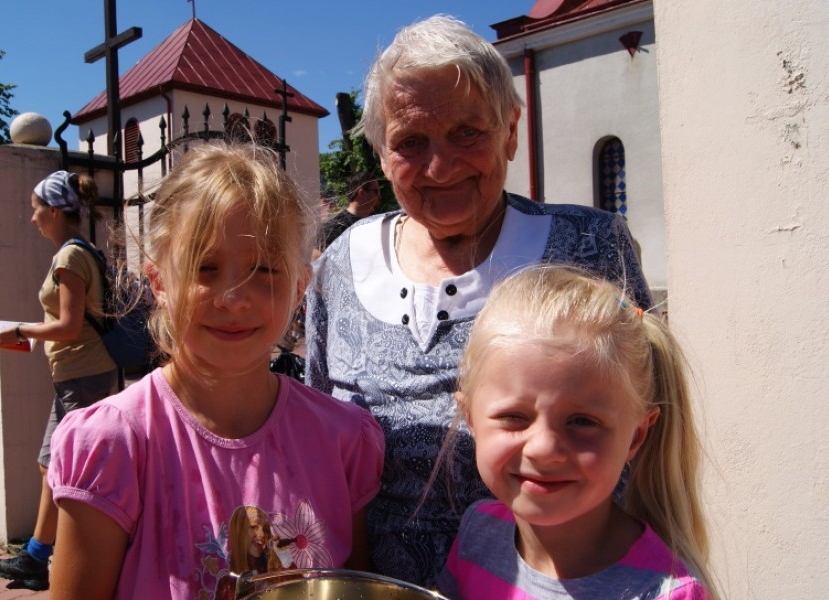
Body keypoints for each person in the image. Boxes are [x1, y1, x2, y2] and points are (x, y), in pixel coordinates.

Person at [304, 15, 651, 587]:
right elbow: (316, 434)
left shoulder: (589, 247)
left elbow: (645, 439)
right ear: (381, 154)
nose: (440, 166)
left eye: (467, 132)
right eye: (410, 142)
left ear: (510, 130)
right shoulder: (341, 263)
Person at [45, 143, 385, 599]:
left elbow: (355, 587)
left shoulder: (342, 439)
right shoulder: (115, 446)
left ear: (300, 286)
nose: (234, 298)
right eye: (205, 267)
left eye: (265, 269)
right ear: (159, 281)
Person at [437, 266, 717, 599]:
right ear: (470, 418)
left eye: (582, 421)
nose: (543, 448)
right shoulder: (478, 534)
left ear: (636, 436)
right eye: (513, 417)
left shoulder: (666, 594)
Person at [0, 170, 118, 591]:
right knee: (50, 463)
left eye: (36, 209)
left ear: (55, 211)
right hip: (75, 376)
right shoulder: (73, 254)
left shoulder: (69, 259)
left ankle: (81, 554)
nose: (32, 218)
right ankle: (36, 554)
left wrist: (19, 331)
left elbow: (68, 325)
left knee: (77, 468)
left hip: (82, 376)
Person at [317, 171, 381, 251]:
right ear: (362, 193)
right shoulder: (334, 228)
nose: (379, 196)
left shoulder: (377, 223)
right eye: (376, 191)